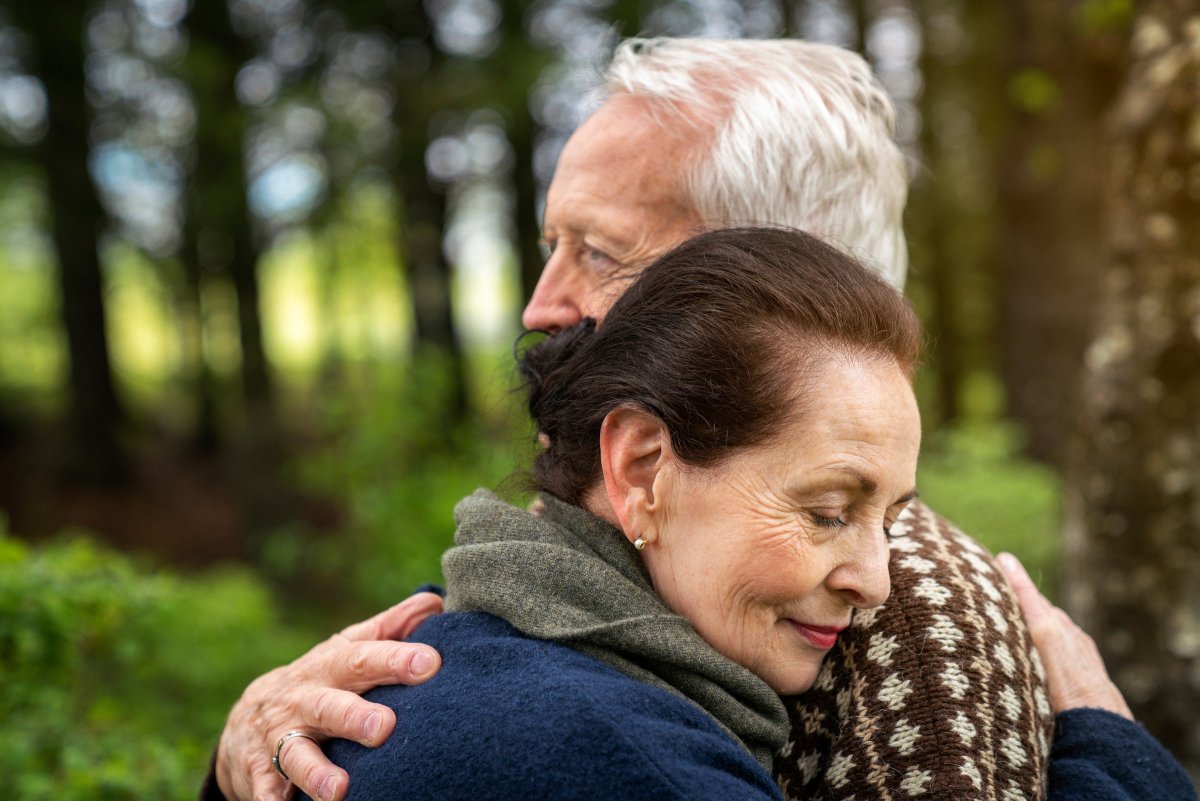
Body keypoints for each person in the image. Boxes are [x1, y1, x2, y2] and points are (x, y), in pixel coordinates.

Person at [205, 39, 1189, 801]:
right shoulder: (583, 625)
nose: (540, 306)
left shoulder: (912, 638)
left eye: (596, 250)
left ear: (765, 271)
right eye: (552, 244)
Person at [306, 226, 927, 799]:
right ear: (641, 470)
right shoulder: (637, 767)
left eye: (892, 522)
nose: (874, 583)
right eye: (827, 512)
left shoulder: (463, 643)